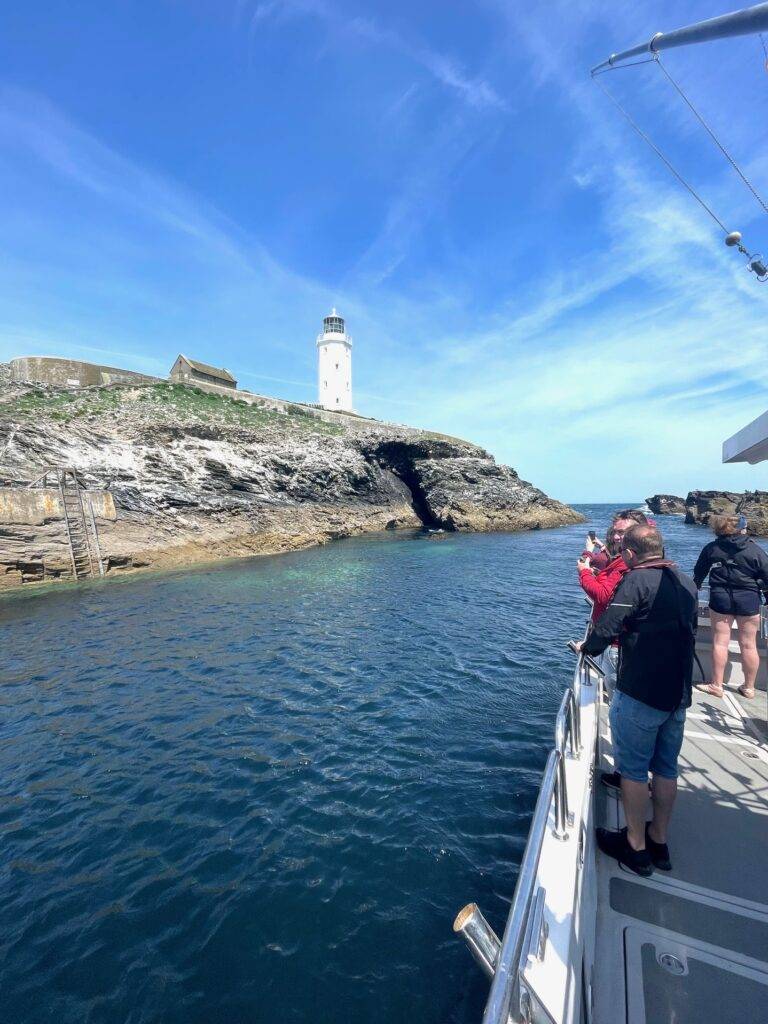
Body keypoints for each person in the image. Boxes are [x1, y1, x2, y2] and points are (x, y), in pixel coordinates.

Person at [578, 524, 697, 876]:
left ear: (629, 554)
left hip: (642, 692)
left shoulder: (635, 580)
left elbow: (609, 626)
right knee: (665, 768)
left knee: (631, 770)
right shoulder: (686, 581)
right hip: (677, 695)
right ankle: (659, 840)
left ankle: (635, 846)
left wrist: (587, 648)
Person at [693, 514, 768, 700]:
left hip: (721, 599)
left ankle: (716, 685)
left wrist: (696, 586)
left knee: (720, 642)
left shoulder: (712, 548)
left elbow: (699, 573)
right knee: (749, 645)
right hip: (749, 599)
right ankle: (749, 688)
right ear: (742, 529)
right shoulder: (755, 550)